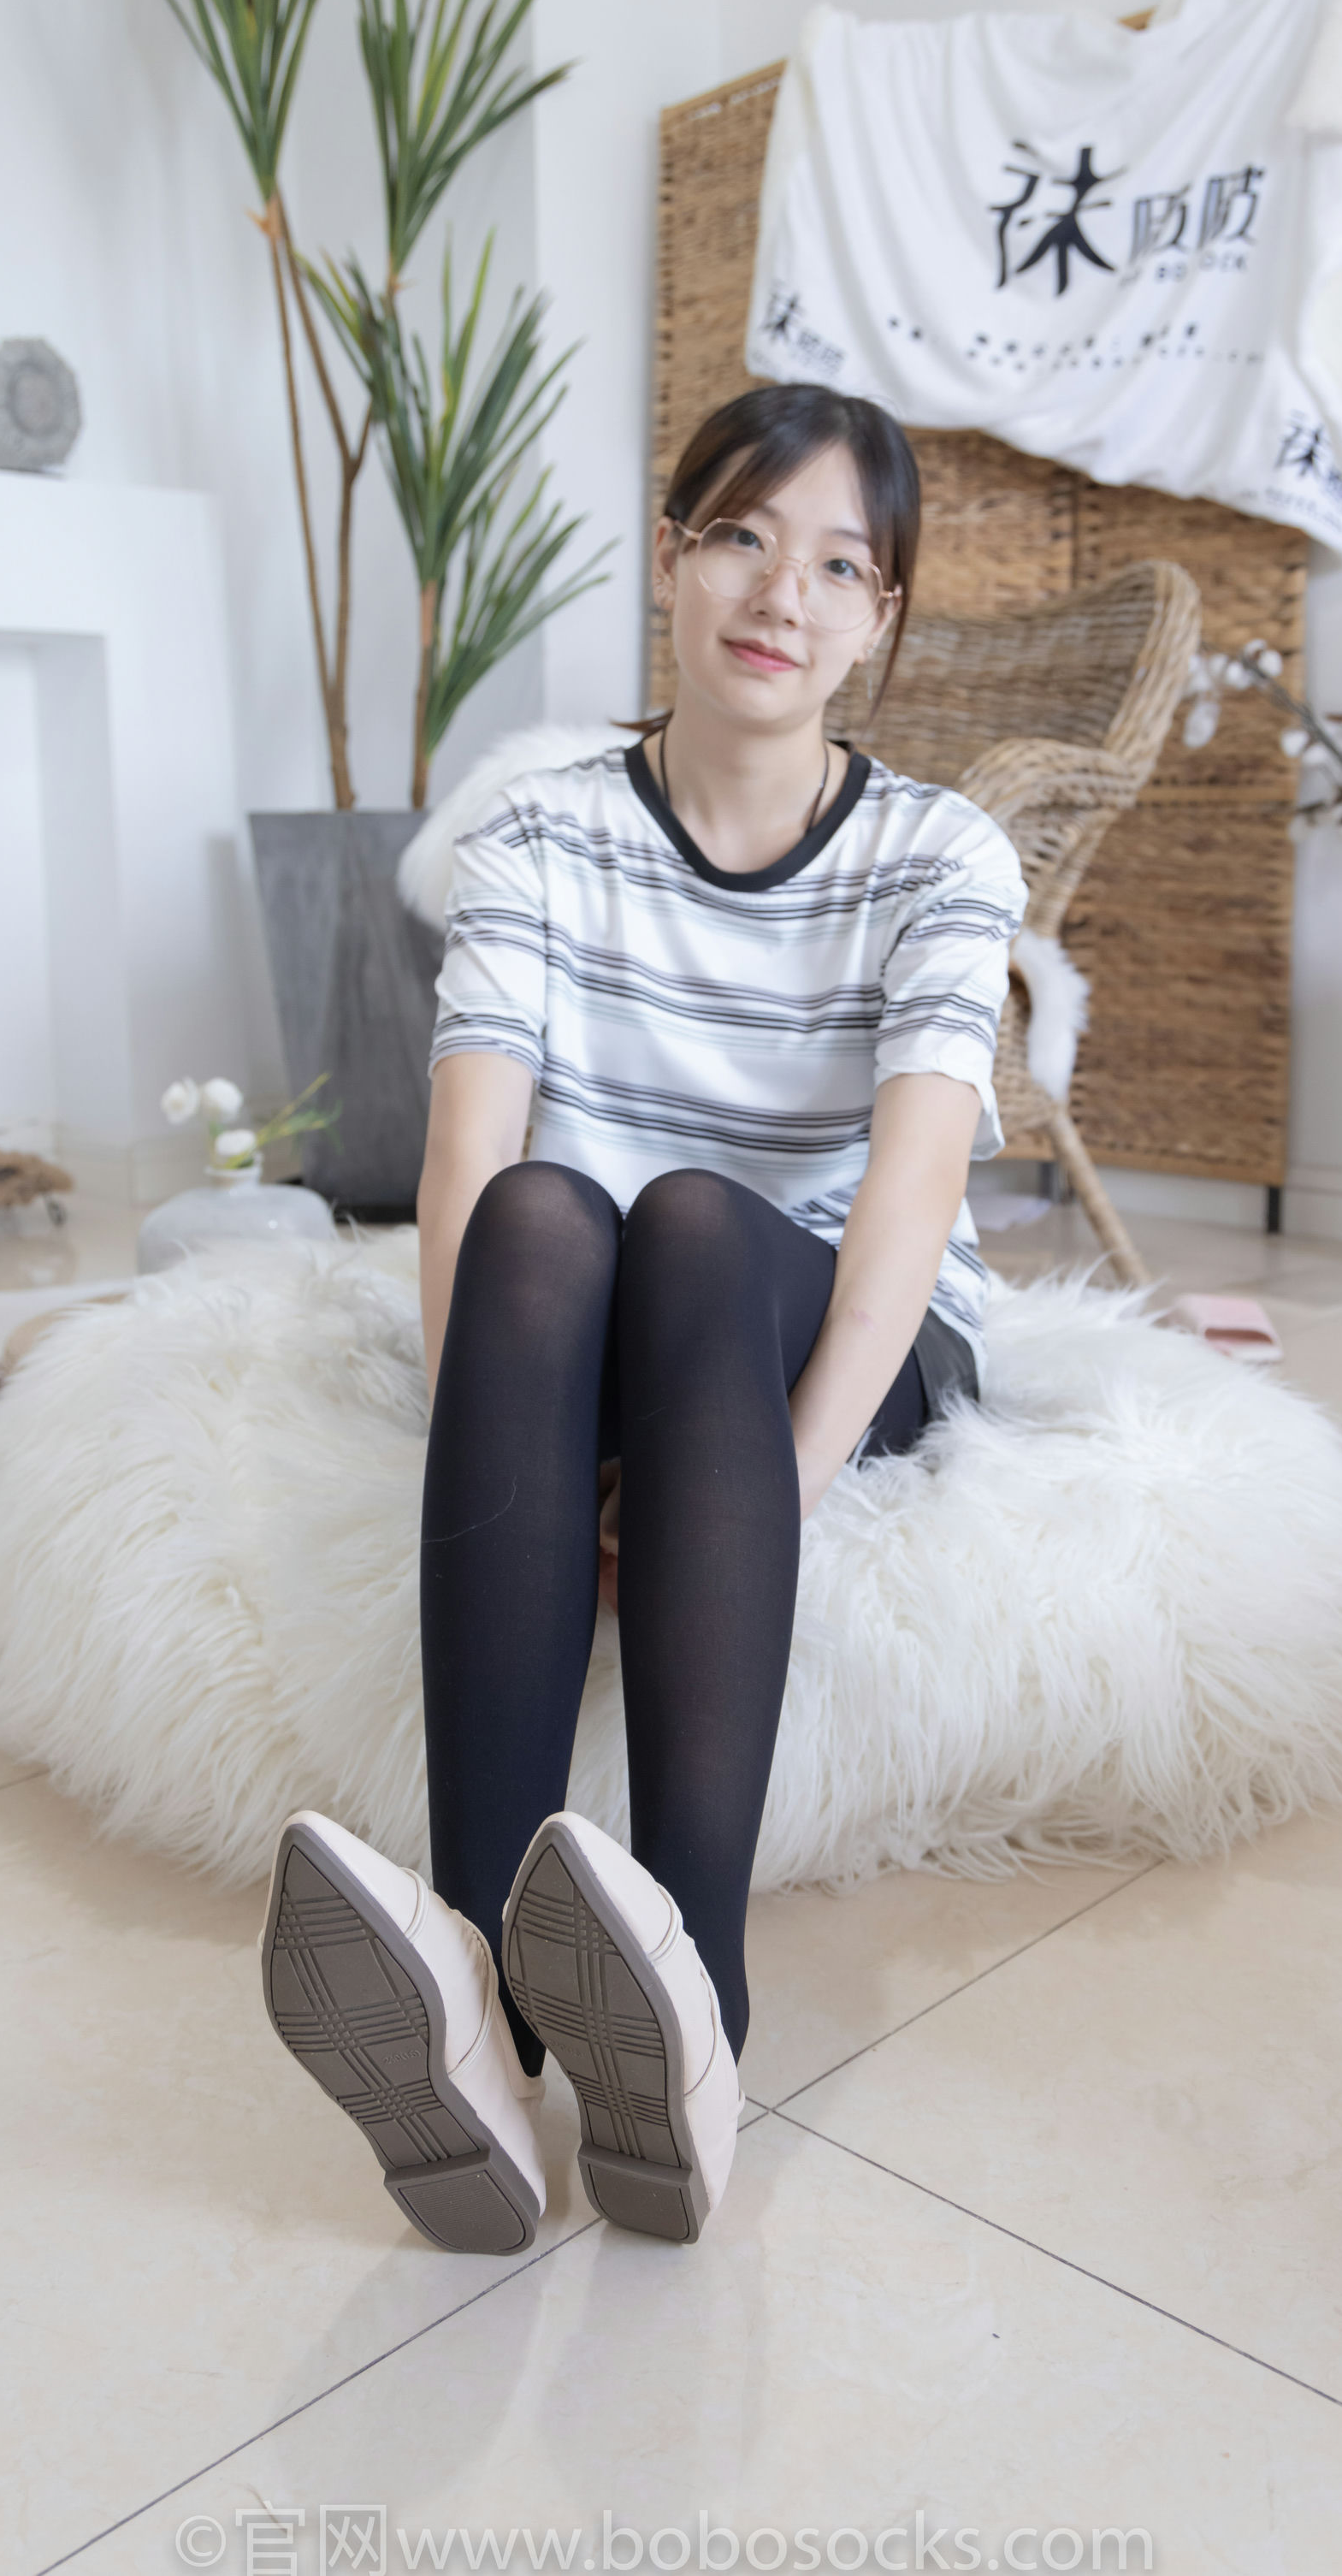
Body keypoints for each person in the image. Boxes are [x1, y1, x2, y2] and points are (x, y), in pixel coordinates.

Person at [261, 385, 1027, 2255]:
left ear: (880, 618)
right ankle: (473, 1990)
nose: (781, 594)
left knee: (693, 1219)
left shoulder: (941, 855)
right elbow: (465, 1172)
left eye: (837, 565)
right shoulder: (536, 836)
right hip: (602, 1323)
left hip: (835, 1332)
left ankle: (692, 1995)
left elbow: (906, 1214)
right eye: (743, 537)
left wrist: (753, 1486)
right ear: (674, 557)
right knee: (541, 1212)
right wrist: (513, 1428)